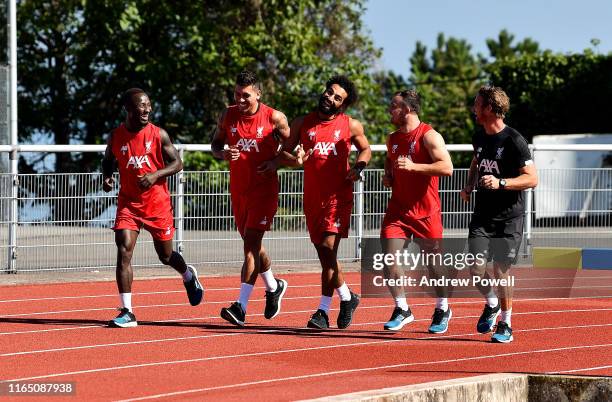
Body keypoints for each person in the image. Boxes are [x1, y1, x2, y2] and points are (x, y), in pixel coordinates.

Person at [274, 75, 371, 329]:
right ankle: (347, 297)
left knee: (328, 248)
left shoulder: (350, 125)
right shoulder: (302, 123)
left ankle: (322, 311)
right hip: (313, 198)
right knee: (325, 256)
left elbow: (366, 149)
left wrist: (359, 166)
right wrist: (294, 159)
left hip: (338, 197)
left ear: (343, 105)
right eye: (329, 92)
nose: (330, 98)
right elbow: (284, 152)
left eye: (337, 97)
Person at [102, 88, 203, 328]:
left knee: (166, 256)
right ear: (128, 109)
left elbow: (177, 162)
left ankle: (188, 275)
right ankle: (127, 311)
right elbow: (107, 160)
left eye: (149, 105)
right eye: (141, 106)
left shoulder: (159, 135)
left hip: (157, 204)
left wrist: (155, 175)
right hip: (129, 204)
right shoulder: (116, 136)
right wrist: (106, 177)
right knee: (124, 249)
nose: (147, 110)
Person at [211, 71, 290, 327]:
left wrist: (275, 162)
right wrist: (223, 154)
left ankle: (241, 306)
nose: (241, 99)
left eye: (246, 95)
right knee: (253, 245)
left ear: (258, 93)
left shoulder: (274, 118)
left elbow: (296, 153)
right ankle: (274, 286)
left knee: (251, 245)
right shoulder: (227, 115)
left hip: (264, 191)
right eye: (237, 94)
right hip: (239, 190)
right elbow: (215, 145)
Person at [461, 85, 538, 343]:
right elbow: (476, 161)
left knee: (501, 270)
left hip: (509, 217)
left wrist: (501, 182)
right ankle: (492, 303)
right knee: (474, 268)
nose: (473, 108)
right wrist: (470, 183)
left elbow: (532, 179)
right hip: (483, 215)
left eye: (477, 104)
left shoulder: (514, 140)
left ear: (490, 108)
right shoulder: (479, 137)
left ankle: (506, 323)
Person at [380, 89, 454, 332]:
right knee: (388, 258)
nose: (390, 110)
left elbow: (447, 167)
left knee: (434, 267)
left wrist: (414, 167)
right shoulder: (391, 139)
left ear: (408, 109)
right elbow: (389, 161)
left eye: (394, 106)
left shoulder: (429, 136)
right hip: (398, 212)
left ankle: (443, 307)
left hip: (426, 212)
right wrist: (388, 176)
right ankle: (402, 308)